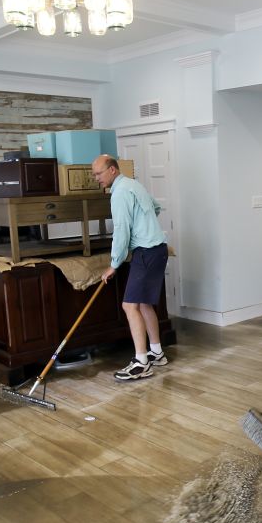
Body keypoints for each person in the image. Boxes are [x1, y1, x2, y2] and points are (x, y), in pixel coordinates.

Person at [91, 155, 170, 381]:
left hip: (146, 252)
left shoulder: (120, 193)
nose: (97, 179)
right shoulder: (133, 184)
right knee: (144, 304)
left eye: (99, 174)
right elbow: (156, 207)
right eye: (95, 174)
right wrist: (145, 228)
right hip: (157, 249)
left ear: (113, 170)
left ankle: (141, 363)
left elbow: (121, 229)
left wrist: (114, 264)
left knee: (129, 306)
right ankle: (156, 352)